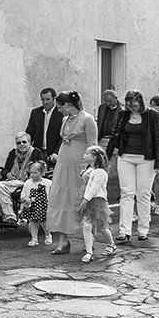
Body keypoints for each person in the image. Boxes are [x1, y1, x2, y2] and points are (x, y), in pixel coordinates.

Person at [105, 89, 159, 243]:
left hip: (147, 159)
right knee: (126, 193)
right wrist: (105, 158)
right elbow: (115, 136)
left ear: (141, 102)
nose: (133, 108)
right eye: (130, 105)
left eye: (135, 105)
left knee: (143, 194)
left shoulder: (152, 115)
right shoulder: (123, 115)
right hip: (125, 157)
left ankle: (143, 229)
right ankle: (124, 230)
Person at [44, 91, 97, 255]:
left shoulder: (88, 119)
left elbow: (93, 145)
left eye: (60, 106)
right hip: (63, 164)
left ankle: (89, 239)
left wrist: (90, 168)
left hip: (79, 166)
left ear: (68, 105)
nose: (58, 109)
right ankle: (63, 241)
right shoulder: (65, 119)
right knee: (61, 201)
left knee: (82, 200)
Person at [0, 133, 45, 225]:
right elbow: (5, 170)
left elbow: (41, 169)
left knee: (1, 187)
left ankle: (10, 217)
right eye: (18, 143)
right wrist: (7, 174)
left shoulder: (36, 153)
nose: (21, 144)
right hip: (12, 181)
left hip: (27, 182)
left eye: (24, 142)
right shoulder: (13, 153)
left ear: (29, 142)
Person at [78, 145, 116, 263]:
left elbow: (94, 188)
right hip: (88, 199)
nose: (84, 155)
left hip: (97, 201)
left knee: (101, 227)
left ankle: (111, 244)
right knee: (87, 225)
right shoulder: (90, 170)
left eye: (87, 154)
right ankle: (89, 251)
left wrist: (85, 200)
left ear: (94, 157)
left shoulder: (100, 172)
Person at [17, 159, 52, 247]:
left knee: (44, 222)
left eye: (35, 173)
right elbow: (23, 195)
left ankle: (48, 235)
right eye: (31, 173)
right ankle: (34, 239)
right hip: (32, 206)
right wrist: (25, 199)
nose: (32, 175)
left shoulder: (48, 183)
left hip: (44, 206)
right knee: (32, 222)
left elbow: (53, 194)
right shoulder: (28, 183)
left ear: (42, 173)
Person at [25, 88, 64, 164]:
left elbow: (63, 136)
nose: (45, 102)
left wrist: (56, 152)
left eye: (48, 99)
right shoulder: (35, 113)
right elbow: (29, 132)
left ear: (54, 99)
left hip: (54, 153)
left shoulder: (61, 113)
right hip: (38, 151)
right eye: (43, 99)